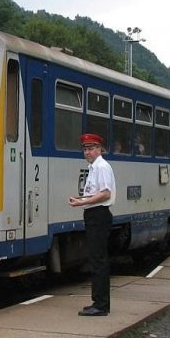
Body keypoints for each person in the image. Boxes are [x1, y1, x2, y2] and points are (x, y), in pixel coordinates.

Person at [68, 133, 116, 317]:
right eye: (85, 149)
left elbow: (105, 193)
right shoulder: (94, 167)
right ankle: (98, 302)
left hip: (98, 215)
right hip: (94, 214)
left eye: (90, 148)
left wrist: (81, 203)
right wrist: (82, 199)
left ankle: (101, 305)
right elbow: (97, 193)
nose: (87, 152)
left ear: (99, 149)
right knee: (96, 259)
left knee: (98, 261)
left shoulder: (101, 167)